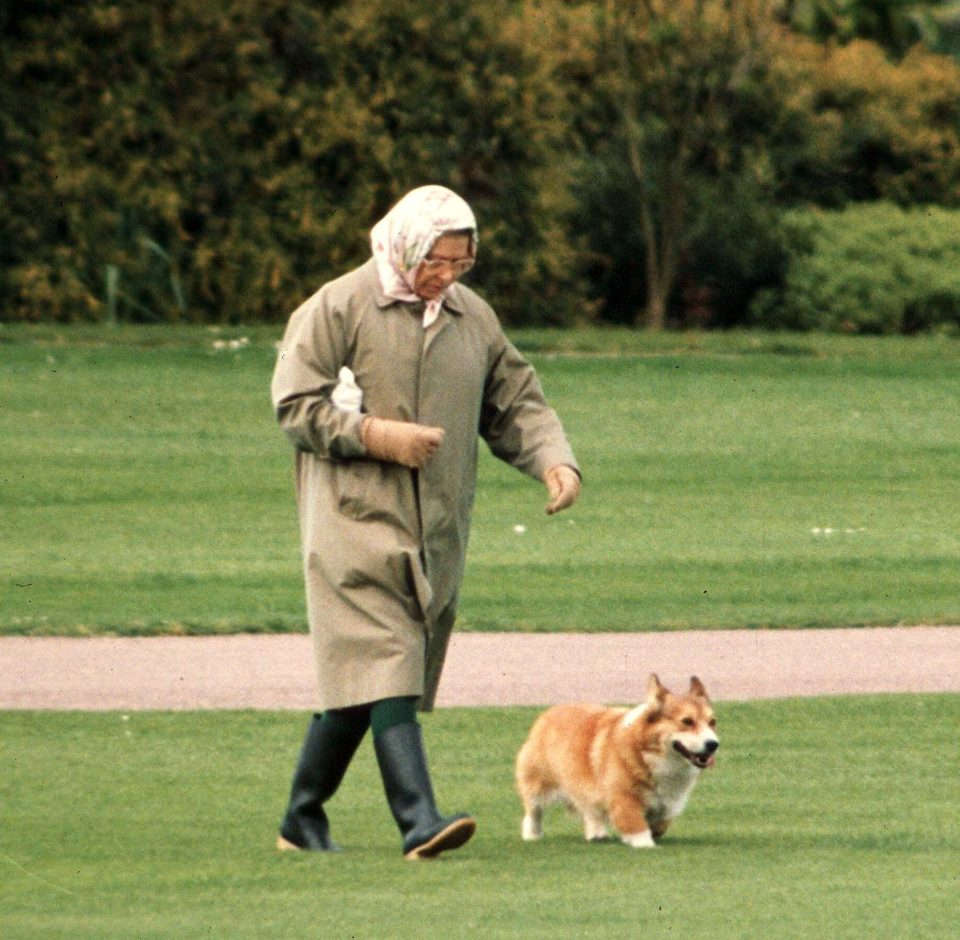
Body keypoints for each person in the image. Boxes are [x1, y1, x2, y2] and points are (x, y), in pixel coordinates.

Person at [270, 184, 581, 860]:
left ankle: (301, 817)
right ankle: (419, 819)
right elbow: (295, 405)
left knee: (365, 682)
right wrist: (379, 436)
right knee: (390, 659)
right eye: (436, 262)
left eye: (461, 265)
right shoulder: (338, 305)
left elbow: (517, 402)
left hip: (436, 525)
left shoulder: (472, 318)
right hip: (352, 518)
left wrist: (556, 462)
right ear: (407, 246)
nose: (446, 277)